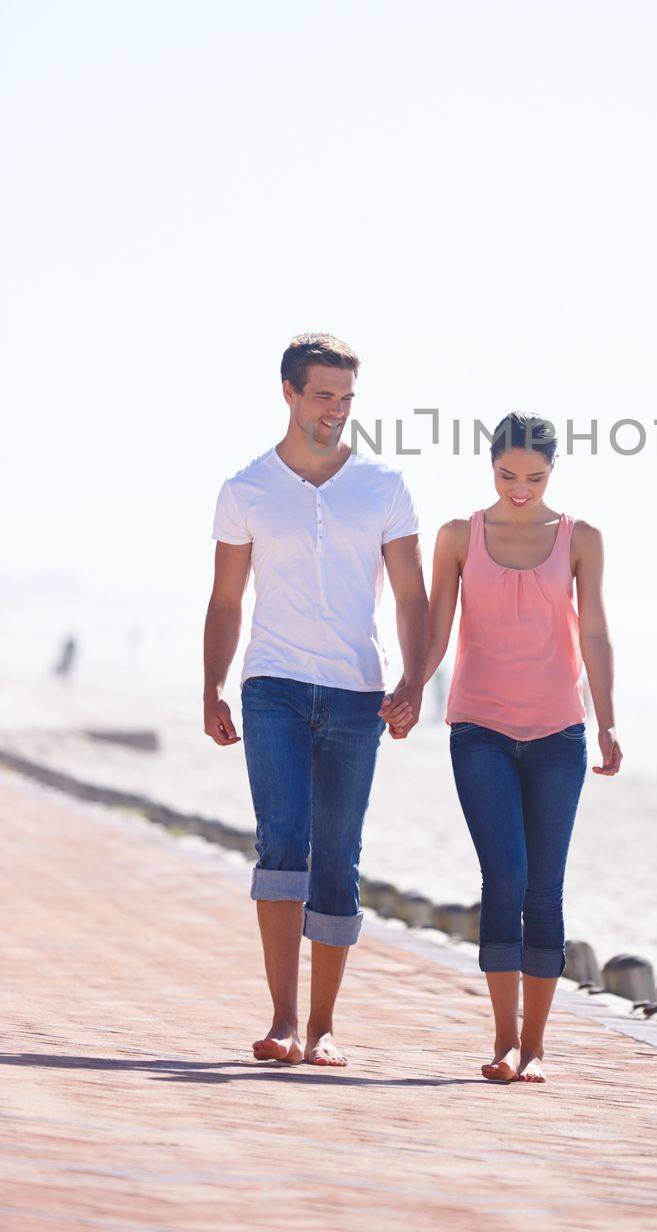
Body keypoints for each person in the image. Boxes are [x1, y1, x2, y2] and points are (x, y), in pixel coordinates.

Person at [202, 332, 428, 1068]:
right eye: (323, 395)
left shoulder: (383, 488)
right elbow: (227, 600)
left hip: (357, 693)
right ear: (290, 393)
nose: (337, 410)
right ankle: (282, 1019)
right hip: (273, 687)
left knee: (338, 857)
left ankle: (325, 1026)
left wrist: (413, 681)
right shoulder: (247, 489)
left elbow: (411, 597)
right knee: (283, 843)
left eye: (347, 397)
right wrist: (211, 684)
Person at [418, 411, 621, 1083]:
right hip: (479, 729)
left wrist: (610, 721)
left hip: (560, 735)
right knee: (504, 877)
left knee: (546, 888)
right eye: (507, 475)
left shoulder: (580, 538)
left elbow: (594, 633)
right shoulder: (457, 536)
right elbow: (437, 628)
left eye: (533, 477)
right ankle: (504, 1041)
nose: (519, 489)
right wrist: (411, 688)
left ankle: (537, 1045)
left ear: (552, 472)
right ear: (491, 466)